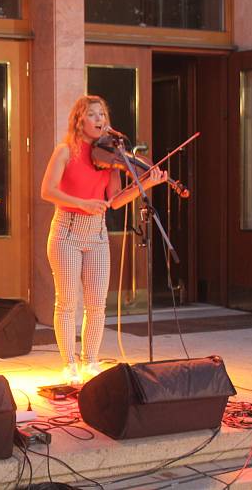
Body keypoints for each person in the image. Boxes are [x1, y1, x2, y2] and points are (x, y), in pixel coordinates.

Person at [40, 95, 167, 385]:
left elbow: (116, 200)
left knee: (97, 304)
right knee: (68, 301)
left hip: (96, 233)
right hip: (66, 231)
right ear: (79, 121)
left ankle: (90, 360)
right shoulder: (65, 151)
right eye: (93, 115)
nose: (100, 120)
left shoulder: (108, 156)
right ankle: (68, 363)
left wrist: (145, 182)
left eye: (102, 115)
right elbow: (47, 191)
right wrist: (82, 203)